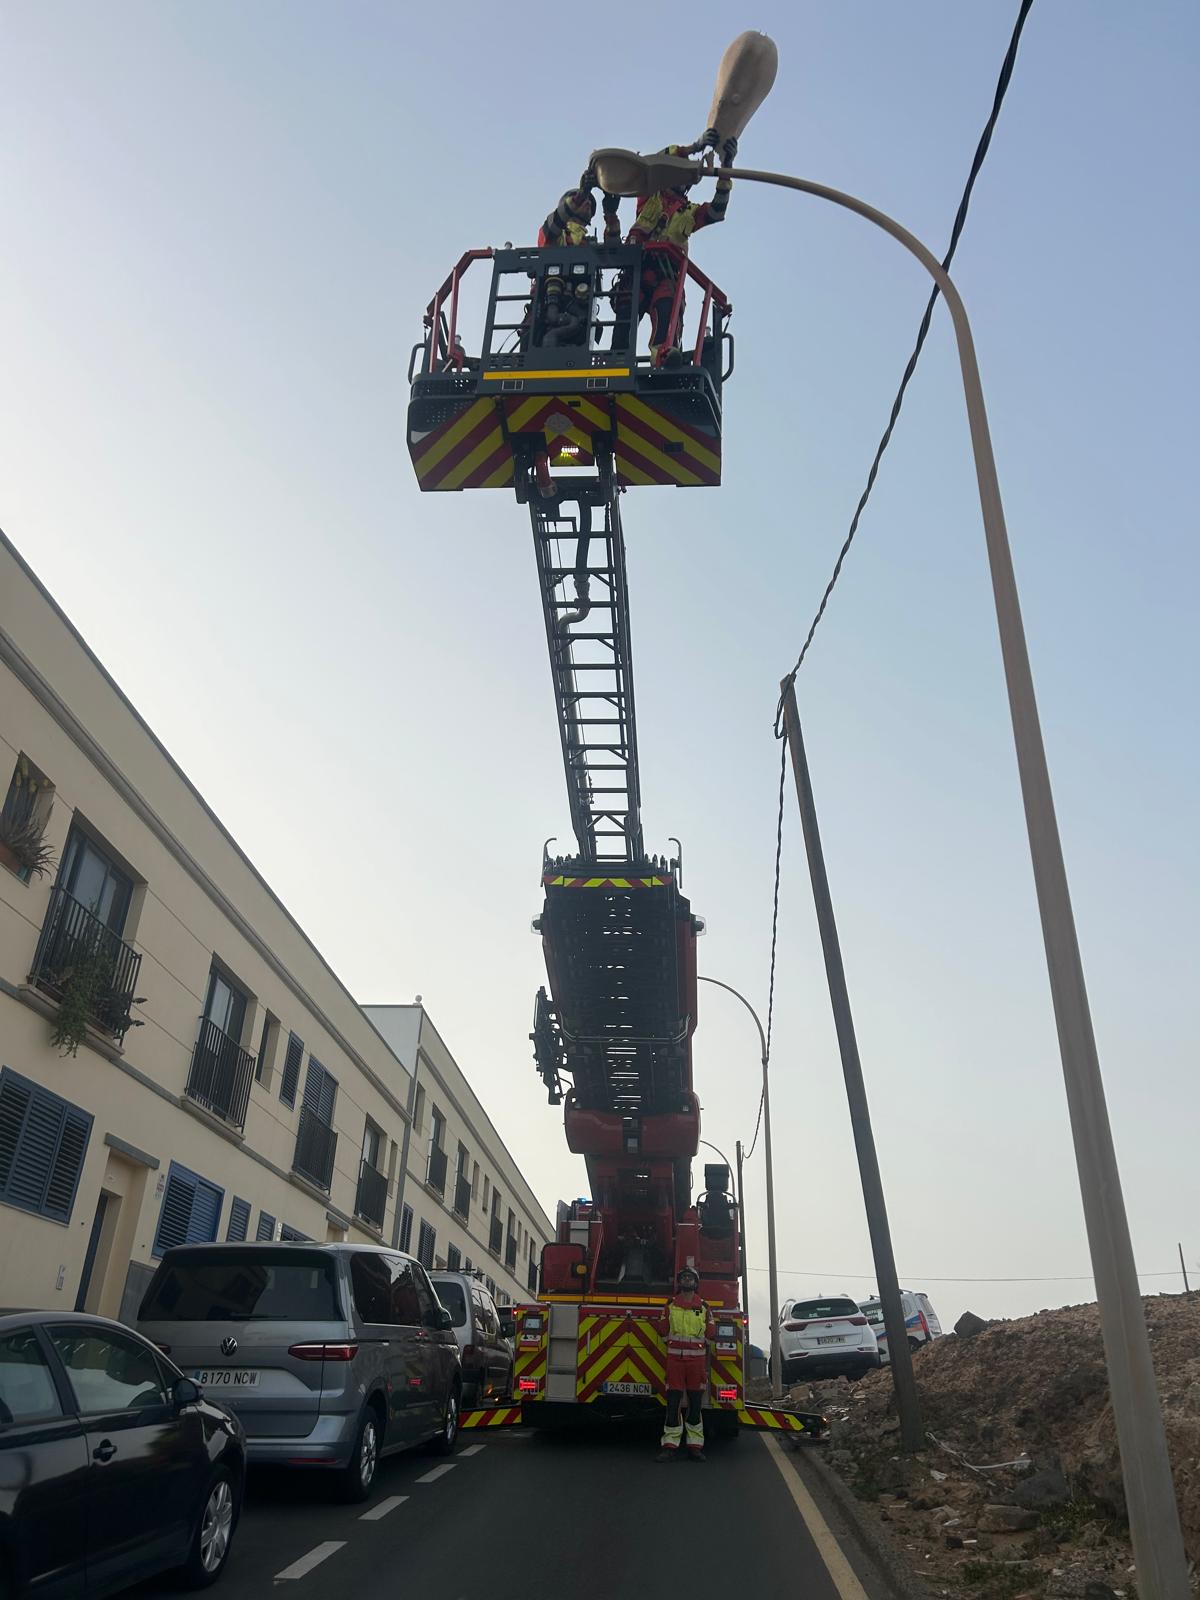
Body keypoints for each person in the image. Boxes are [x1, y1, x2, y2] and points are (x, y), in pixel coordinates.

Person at [621, 131, 737, 366]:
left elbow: (717, 211)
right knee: (625, 317)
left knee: (667, 312)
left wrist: (726, 166)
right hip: (637, 268)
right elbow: (655, 161)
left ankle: (663, 356)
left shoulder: (689, 211)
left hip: (667, 274)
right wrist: (694, 148)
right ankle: (617, 360)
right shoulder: (649, 195)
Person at [658, 1265, 716, 1461]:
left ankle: (695, 1446)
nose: (687, 1280)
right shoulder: (670, 1305)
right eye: (684, 1277)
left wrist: (699, 1350)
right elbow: (663, 1329)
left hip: (696, 1363)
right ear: (679, 1282)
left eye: (691, 1278)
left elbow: (710, 1333)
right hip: (675, 1361)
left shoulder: (705, 1307)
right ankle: (669, 1445)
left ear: (696, 1282)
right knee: (673, 1403)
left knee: (696, 1404)